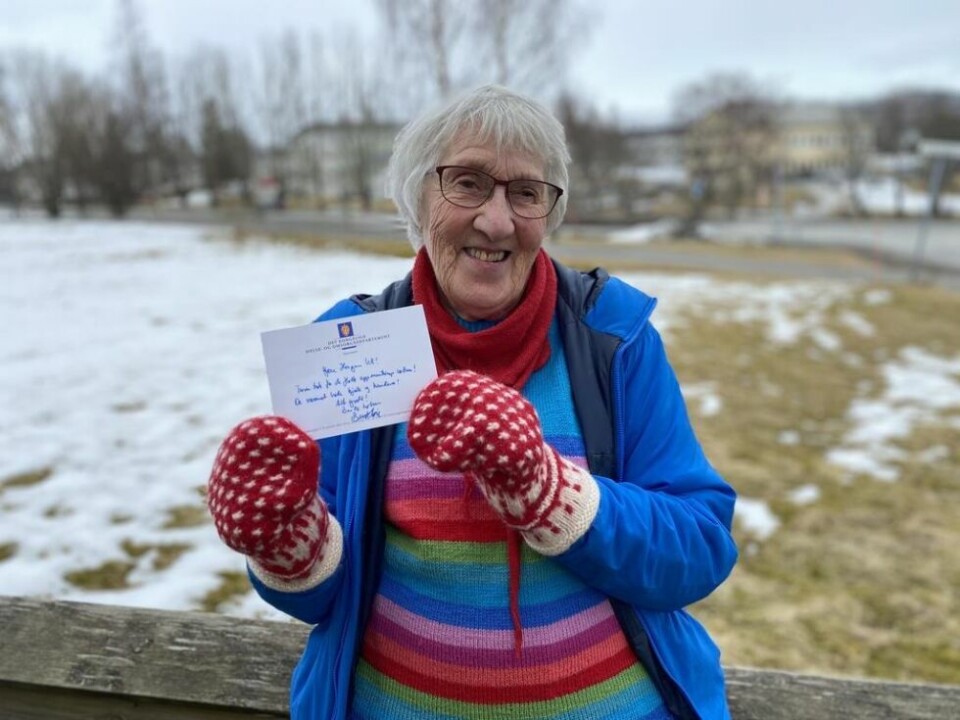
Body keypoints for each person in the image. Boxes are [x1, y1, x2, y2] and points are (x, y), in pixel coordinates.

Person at [207, 85, 738, 720]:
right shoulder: (346, 347)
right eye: (467, 182)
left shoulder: (613, 339)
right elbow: (324, 602)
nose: (496, 220)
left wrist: (553, 496)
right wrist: (288, 546)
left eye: (525, 192)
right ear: (418, 196)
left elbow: (700, 549)